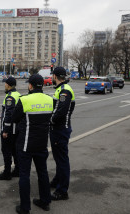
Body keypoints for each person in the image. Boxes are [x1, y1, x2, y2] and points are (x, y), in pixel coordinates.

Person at [12, 74, 53, 214]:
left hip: (26, 144)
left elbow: (14, 118)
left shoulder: (24, 99)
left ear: (30, 85)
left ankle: (25, 208)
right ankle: (45, 201)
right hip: (42, 144)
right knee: (43, 173)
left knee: (24, 175)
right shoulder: (50, 99)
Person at [50, 67, 75, 201]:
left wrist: (51, 121)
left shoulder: (65, 90)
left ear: (55, 76)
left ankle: (62, 191)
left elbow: (61, 112)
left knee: (62, 160)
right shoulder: (61, 89)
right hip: (58, 129)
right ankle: (57, 181)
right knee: (59, 158)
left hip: (60, 130)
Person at [0, 76, 21, 180]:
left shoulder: (10, 97)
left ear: (9, 85)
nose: (4, 85)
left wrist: (5, 130)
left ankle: (7, 173)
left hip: (10, 130)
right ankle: (17, 170)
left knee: (6, 151)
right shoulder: (18, 94)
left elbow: (9, 114)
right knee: (15, 151)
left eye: (5, 84)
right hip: (16, 129)